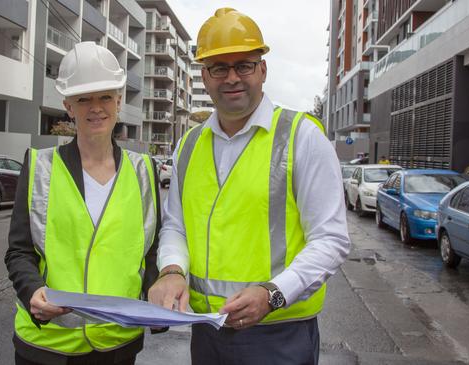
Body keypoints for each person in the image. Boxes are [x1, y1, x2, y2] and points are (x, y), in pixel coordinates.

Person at [148, 8, 350, 365]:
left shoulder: (301, 137)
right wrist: (172, 270)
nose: (232, 78)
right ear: (204, 76)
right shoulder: (189, 145)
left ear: (263, 70)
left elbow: (331, 239)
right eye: (219, 68)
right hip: (207, 333)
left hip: (280, 334)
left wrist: (272, 294)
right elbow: (176, 226)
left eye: (244, 65)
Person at [5, 41, 161, 365]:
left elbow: (151, 252)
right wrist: (33, 291)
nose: (96, 107)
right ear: (68, 105)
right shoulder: (39, 166)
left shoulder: (143, 170)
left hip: (117, 344)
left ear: (119, 101)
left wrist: (158, 297)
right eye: (83, 98)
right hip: (47, 345)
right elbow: (19, 251)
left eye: (105, 96)